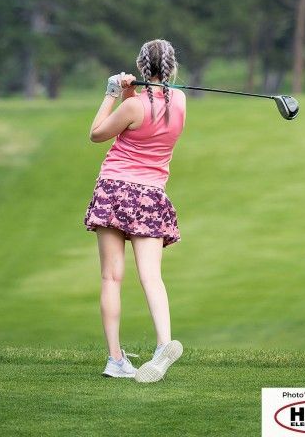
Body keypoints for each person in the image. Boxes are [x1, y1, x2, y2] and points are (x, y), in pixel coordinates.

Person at [83, 38, 185, 382]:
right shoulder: (181, 102)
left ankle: (115, 359)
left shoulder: (132, 105)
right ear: (171, 68)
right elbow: (143, 121)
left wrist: (112, 93)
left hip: (115, 189)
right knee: (151, 276)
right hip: (151, 195)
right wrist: (130, 96)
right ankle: (163, 344)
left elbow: (98, 134)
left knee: (112, 277)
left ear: (142, 67)